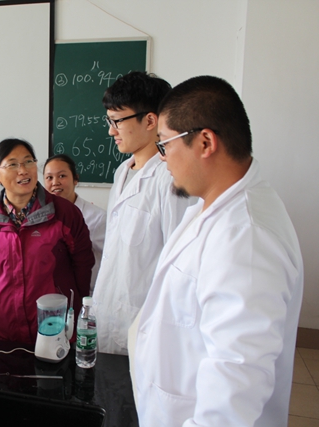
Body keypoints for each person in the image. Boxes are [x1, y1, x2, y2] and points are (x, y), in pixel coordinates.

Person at [131, 76, 303, 427]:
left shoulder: (246, 238)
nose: (162, 159)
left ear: (205, 142)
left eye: (164, 144)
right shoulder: (213, 205)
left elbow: (236, 381)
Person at [92, 71, 195, 355]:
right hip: (108, 315)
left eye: (117, 121)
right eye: (109, 121)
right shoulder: (122, 172)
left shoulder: (170, 179)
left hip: (144, 325)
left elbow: (179, 265)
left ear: (150, 121)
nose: (111, 131)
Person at [0, 138, 94, 345]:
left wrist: (73, 310)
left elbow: (83, 265)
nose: (23, 170)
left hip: (54, 322)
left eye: (28, 161)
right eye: (13, 164)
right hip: (5, 322)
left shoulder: (64, 213)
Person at [43, 154, 106, 292]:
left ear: (75, 179)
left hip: (87, 292)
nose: (55, 182)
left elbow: (110, 259)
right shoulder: (40, 217)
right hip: (52, 293)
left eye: (62, 176)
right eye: (49, 177)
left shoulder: (98, 217)